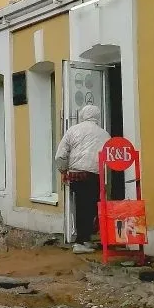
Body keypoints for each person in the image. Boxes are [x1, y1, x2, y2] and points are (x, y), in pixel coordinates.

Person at [55, 103, 112, 253]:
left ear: (83, 115)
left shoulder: (73, 130)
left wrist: (63, 171)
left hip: (76, 175)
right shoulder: (104, 134)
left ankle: (83, 240)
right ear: (97, 116)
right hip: (95, 176)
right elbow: (109, 157)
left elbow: (61, 154)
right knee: (91, 208)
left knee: (80, 207)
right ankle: (82, 241)